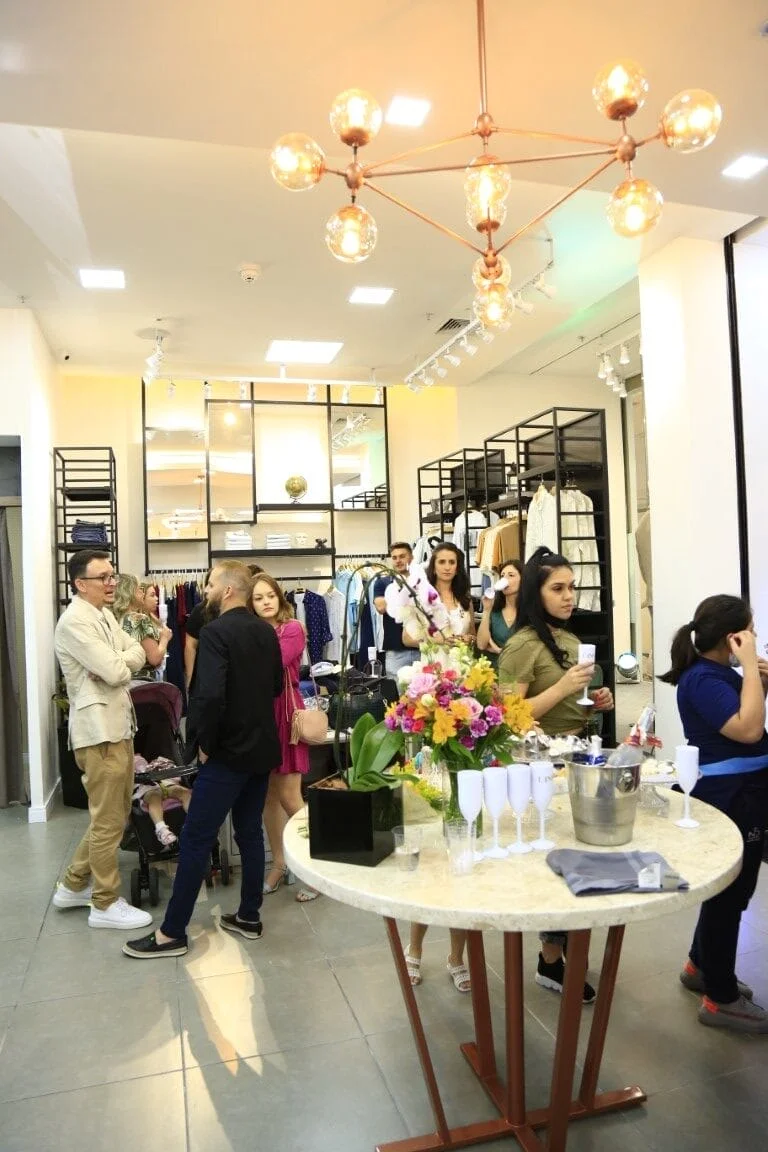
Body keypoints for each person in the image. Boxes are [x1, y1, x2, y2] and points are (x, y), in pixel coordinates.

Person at [123, 560, 283, 958]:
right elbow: (276, 686)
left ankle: (171, 933)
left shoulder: (214, 633)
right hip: (261, 748)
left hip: (226, 752)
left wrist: (203, 743)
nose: (206, 591)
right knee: (250, 832)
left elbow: (209, 696)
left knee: (196, 836)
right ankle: (249, 916)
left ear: (227, 590)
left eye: (210, 585)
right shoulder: (266, 631)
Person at [498, 546, 614, 1002]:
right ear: (536, 592)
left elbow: (573, 702)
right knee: (556, 861)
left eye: (572, 587)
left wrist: (595, 700)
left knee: (579, 858)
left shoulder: (565, 639)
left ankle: (558, 954)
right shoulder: (522, 645)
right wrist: (565, 686)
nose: (569, 597)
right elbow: (509, 717)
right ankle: (551, 959)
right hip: (540, 764)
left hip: (577, 757)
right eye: (558, 588)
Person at [659, 595, 768, 1033]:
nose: (755, 637)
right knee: (729, 896)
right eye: (751, 631)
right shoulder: (704, 678)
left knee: (731, 891)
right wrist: (750, 672)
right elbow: (748, 730)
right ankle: (720, 998)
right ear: (733, 637)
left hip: (743, 792)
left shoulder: (718, 674)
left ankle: (700, 966)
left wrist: (755, 679)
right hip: (732, 796)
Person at [51, 550, 153, 931]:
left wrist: (118, 663)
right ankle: (105, 902)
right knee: (108, 820)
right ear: (80, 584)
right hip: (98, 733)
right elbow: (115, 670)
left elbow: (137, 652)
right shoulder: (74, 622)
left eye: (112, 575)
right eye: (104, 577)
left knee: (114, 815)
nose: (112, 583)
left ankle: (74, 884)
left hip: (117, 726)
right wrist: (117, 664)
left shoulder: (104, 615)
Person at [405, 542, 476, 991]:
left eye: (453, 562)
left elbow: (475, 640)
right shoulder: (420, 597)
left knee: (461, 841)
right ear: (433, 566)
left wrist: (465, 641)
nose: (447, 567)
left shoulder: (465, 600)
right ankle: (414, 948)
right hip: (431, 691)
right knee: (430, 841)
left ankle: (456, 955)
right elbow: (408, 638)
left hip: (465, 691)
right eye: (442, 562)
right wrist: (436, 640)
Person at [251, 573, 319, 902]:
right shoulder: (254, 632)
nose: (266, 602)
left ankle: (315, 868)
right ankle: (279, 863)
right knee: (267, 797)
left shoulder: (291, 628)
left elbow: (271, 662)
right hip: (261, 715)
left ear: (279, 598)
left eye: (270, 595)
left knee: (291, 796)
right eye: (258, 598)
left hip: (287, 714)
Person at [112, 574, 173, 681]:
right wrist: (164, 638)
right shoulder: (139, 619)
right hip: (143, 681)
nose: (142, 592)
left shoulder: (115, 618)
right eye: (139, 589)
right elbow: (155, 659)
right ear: (129, 592)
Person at [373, 541, 419, 678]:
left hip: (423, 647)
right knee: (397, 690)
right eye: (394, 557)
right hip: (396, 650)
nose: (398, 561)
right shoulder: (382, 582)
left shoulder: (422, 580)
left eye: (402, 556)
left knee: (427, 689)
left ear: (411, 558)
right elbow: (381, 607)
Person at [476, 559, 522, 666]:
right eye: (502, 575)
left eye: (511, 575)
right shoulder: (495, 611)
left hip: (522, 669)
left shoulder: (530, 611)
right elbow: (481, 645)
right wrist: (486, 610)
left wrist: (499, 649)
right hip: (495, 669)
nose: (505, 579)